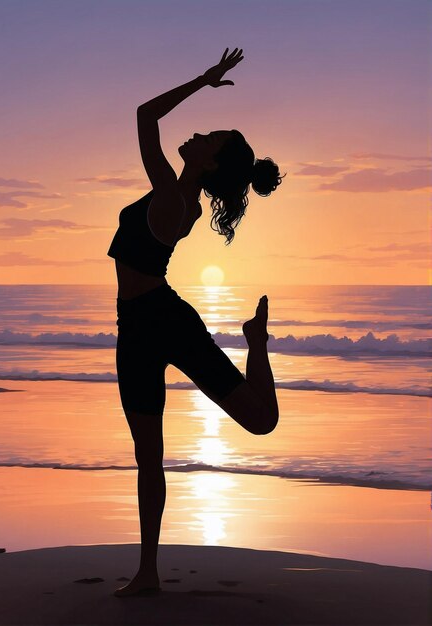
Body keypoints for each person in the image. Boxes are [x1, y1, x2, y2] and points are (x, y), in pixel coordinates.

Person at [109, 48, 283, 597]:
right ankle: (147, 572)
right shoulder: (177, 195)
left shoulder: (173, 196)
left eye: (207, 137)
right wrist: (205, 83)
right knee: (147, 456)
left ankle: (256, 344)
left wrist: (203, 82)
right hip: (137, 324)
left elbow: (144, 116)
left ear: (208, 163)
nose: (197, 135)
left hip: (162, 319)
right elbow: (146, 119)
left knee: (260, 422)